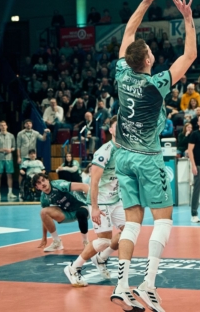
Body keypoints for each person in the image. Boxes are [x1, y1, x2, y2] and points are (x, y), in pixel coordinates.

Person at [111, 0, 196, 311]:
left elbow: (128, 33)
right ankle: (148, 285)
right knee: (163, 220)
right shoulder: (156, 84)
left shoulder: (121, 72)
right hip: (147, 158)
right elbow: (189, 55)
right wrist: (187, 18)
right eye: (149, 51)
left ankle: (121, 286)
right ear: (148, 60)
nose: (150, 51)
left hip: (122, 157)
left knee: (133, 222)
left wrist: (145, 2)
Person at [64, 116, 126, 286]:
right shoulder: (104, 151)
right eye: (117, 126)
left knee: (129, 231)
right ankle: (73, 267)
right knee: (104, 240)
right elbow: (94, 182)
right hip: (101, 201)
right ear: (111, 130)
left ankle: (101, 258)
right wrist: (95, 207)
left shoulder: (125, 149)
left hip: (116, 199)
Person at [0, 121, 16, 200]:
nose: (3, 127)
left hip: (9, 158)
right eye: (1, 125)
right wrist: (2, 149)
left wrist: (10, 150)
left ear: (7, 126)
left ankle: (10, 192)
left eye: (4, 125)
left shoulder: (11, 136)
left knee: (9, 175)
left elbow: (14, 147)